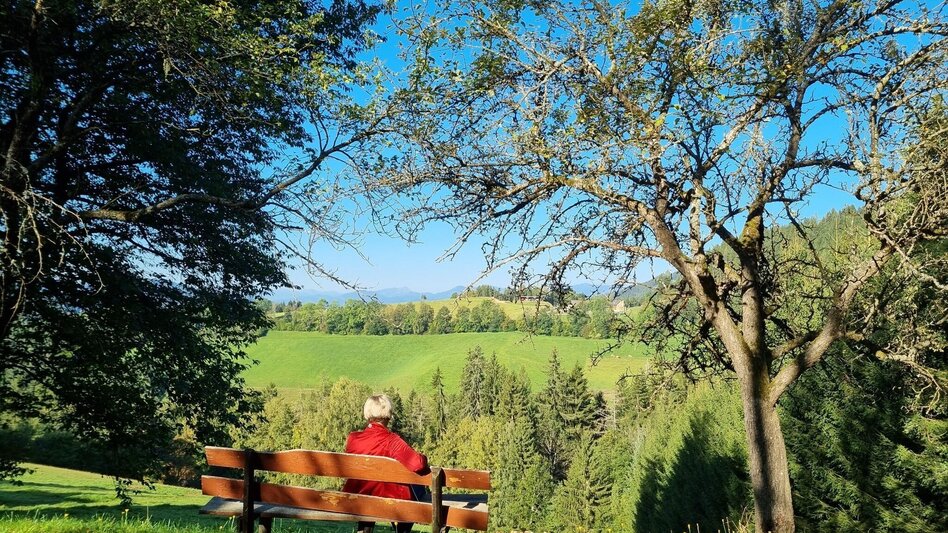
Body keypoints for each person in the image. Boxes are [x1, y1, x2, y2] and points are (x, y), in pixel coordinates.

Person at [343, 394, 428, 533]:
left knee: (369, 485)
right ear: (388, 414)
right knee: (417, 488)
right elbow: (417, 464)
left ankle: (364, 530)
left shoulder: (353, 438)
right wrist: (423, 457)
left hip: (357, 497)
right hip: (388, 501)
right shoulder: (391, 440)